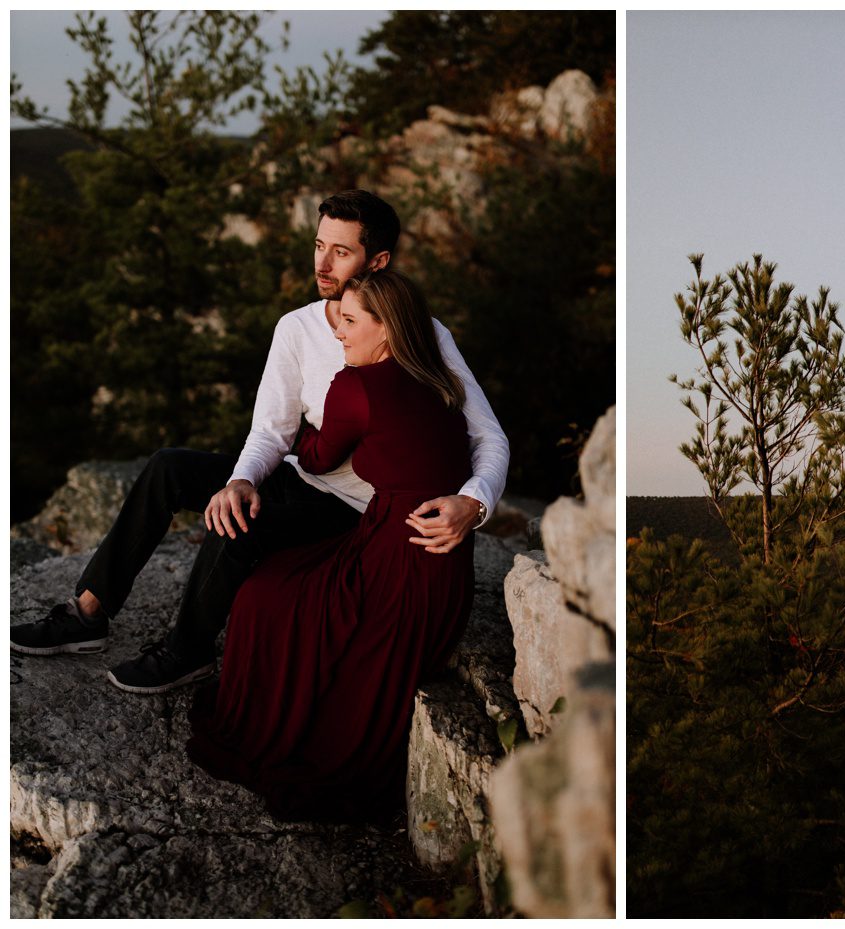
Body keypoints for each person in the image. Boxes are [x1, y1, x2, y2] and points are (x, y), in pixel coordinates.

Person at [9, 190, 509, 694]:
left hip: (354, 512)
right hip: (298, 474)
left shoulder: (423, 333)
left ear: (377, 261)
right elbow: (271, 430)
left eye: (341, 251)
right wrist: (242, 479)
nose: (322, 262)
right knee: (169, 467)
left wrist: (475, 502)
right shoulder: (297, 328)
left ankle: (189, 652)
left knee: (238, 526)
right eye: (319, 245)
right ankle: (88, 614)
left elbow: (487, 435)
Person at [187, 270, 477, 821]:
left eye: (349, 321)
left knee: (266, 594)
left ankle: (261, 712)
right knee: (297, 590)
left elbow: (317, 457)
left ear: (385, 328)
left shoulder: (354, 385)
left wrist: (310, 435)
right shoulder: (441, 382)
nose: (337, 331)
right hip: (445, 575)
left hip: (394, 556)